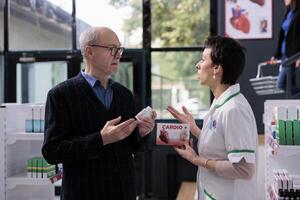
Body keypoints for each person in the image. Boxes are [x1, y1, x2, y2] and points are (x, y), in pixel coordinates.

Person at [42, 26, 156, 200]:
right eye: (112, 49)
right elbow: (52, 151)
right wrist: (101, 139)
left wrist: (140, 133)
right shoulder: (61, 95)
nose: (118, 54)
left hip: (123, 192)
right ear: (89, 51)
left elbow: (131, 146)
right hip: (83, 193)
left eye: (120, 49)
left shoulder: (124, 95)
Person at [167, 36, 258, 200]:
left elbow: (244, 170)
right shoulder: (221, 102)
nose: (198, 65)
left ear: (216, 68)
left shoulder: (234, 110)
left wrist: (196, 159)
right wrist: (193, 128)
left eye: (202, 60)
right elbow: (219, 144)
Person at [271, 0, 300, 95]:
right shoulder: (288, 12)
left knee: (281, 84)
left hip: (292, 56)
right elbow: (283, 36)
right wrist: (276, 55)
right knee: (291, 85)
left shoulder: (298, 14)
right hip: (284, 55)